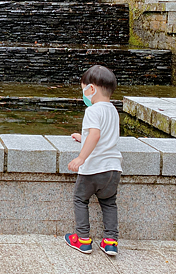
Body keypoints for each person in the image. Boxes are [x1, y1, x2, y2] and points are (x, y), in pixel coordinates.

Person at [65, 65, 122, 256]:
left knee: (80, 199)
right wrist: (83, 137)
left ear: (91, 89)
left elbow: (95, 135)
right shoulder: (113, 110)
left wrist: (81, 157)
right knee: (109, 203)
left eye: (83, 90)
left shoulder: (92, 111)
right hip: (113, 169)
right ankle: (110, 241)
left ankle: (83, 239)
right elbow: (104, 135)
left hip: (94, 168)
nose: (83, 94)